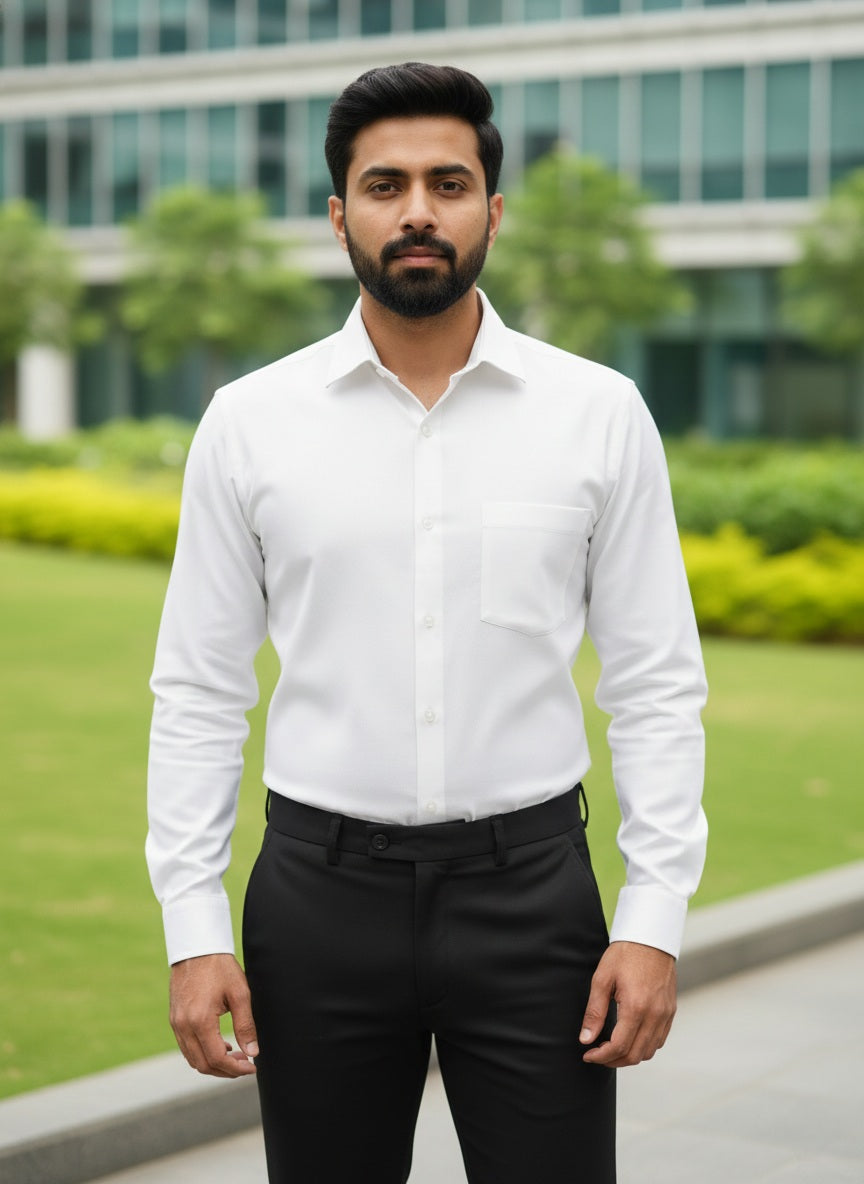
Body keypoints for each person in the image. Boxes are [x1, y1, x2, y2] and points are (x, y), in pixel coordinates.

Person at [147, 61, 707, 1184]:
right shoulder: (248, 422)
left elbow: (654, 680)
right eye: (384, 183)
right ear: (338, 213)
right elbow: (202, 686)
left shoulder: (597, 413)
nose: (416, 210)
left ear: (491, 210)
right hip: (317, 901)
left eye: (448, 182)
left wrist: (653, 915)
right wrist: (193, 921)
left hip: (533, 896)